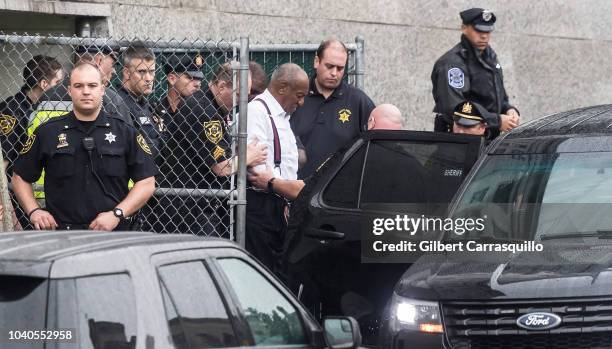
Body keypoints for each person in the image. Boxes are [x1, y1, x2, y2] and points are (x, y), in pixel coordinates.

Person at [11, 61, 157, 231]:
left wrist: (117, 214)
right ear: (69, 90)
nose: (86, 91)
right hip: (61, 233)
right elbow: (19, 177)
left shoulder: (125, 132)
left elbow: (147, 182)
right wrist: (34, 211)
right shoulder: (48, 132)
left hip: (112, 233)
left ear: (102, 89)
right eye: (79, 86)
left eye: (92, 85)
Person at [163, 63, 265, 236]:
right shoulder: (205, 112)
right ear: (222, 86)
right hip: (190, 210)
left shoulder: (209, 105)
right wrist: (248, 156)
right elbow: (222, 167)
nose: (242, 102)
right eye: (239, 95)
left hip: (195, 204)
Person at [245, 63, 309, 273]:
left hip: (279, 202)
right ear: (282, 87)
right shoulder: (257, 111)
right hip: (261, 203)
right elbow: (258, 172)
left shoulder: (282, 117)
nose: (301, 102)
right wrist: (280, 187)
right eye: (299, 95)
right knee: (263, 270)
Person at [290, 38, 375, 179]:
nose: (334, 73)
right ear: (317, 62)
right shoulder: (296, 96)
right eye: (329, 66)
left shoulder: (358, 100)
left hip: (337, 194)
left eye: (340, 68)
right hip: (295, 189)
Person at [431, 8, 519, 139]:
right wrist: (497, 121)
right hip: (460, 139)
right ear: (464, 28)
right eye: (479, 30)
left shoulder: (490, 58)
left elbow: (498, 97)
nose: (484, 35)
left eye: (488, 31)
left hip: (486, 137)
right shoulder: (452, 63)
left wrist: (509, 109)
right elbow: (453, 107)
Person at [0, 55, 63, 173]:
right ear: (44, 84)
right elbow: (3, 161)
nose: (61, 87)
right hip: (13, 186)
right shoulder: (12, 110)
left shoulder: (43, 108)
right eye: (57, 82)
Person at [118, 44, 162, 157]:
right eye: (142, 72)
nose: (148, 79)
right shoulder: (118, 104)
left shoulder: (146, 104)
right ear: (127, 73)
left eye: (151, 72)